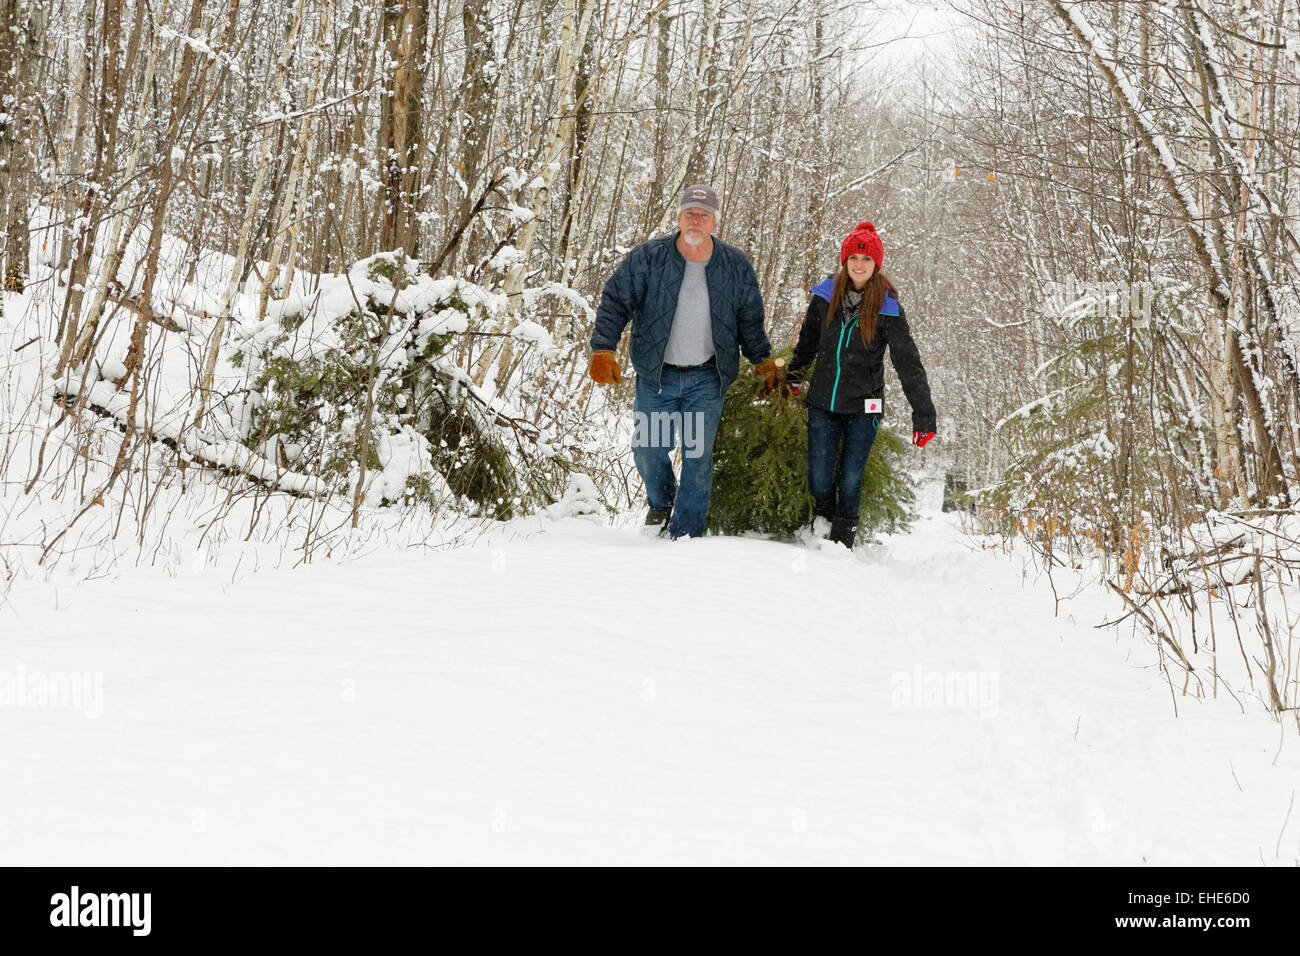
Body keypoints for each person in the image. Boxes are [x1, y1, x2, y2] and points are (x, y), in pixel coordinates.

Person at [588, 184, 775, 539]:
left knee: (697, 456)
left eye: (703, 215)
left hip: (707, 377)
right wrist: (603, 348)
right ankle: (661, 504)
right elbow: (615, 301)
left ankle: (685, 535)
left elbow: (749, 318)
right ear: (678, 217)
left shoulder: (734, 265)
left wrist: (761, 359)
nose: (696, 220)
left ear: (714, 224)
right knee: (647, 448)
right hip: (657, 376)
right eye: (690, 213)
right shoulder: (649, 257)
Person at [789, 221, 936, 548]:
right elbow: (807, 343)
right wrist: (794, 377)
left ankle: (843, 543)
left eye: (866, 259)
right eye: (854, 258)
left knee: (851, 479)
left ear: (876, 265)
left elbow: (908, 363)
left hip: (865, 406)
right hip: (823, 403)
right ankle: (822, 526)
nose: (859, 264)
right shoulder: (824, 297)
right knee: (820, 477)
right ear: (844, 260)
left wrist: (924, 415)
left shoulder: (888, 308)